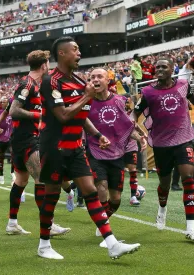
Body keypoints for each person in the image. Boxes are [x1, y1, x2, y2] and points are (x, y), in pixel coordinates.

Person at [38, 36, 140, 260]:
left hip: (76, 147)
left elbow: (80, 115)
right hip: (54, 147)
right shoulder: (51, 81)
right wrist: (87, 96)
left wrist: (97, 134)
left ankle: (112, 244)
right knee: (52, 195)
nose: (79, 54)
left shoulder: (77, 79)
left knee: (91, 192)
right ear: (62, 53)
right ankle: (44, 245)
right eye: (75, 50)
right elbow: (64, 115)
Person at [132, 56, 194, 244]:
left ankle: (191, 228)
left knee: (188, 179)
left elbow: (193, 98)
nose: (159, 70)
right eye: (157, 67)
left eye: (164, 67)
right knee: (164, 184)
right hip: (162, 145)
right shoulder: (147, 92)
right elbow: (135, 112)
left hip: (183, 141)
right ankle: (162, 209)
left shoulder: (183, 85)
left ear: (172, 69)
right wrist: (133, 124)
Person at [0, 50, 72, 236]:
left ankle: (12, 223)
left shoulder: (34, 84)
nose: (49, 67)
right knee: (41, 180)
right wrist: (39, 115)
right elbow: (13, 110)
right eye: (48, 64)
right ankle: (48, 225)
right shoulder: (27, 84)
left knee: (21, 181)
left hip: (21, 138)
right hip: (28, 139)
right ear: (43, 65)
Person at [86, 68, 147, 247]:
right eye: (92, 77)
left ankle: (103, 220)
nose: (95, 80)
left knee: (116, 199)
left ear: (108, 80)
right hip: (95, 152)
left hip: (117, 154)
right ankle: (107, 233)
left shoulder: (121, 101)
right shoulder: (86, 102)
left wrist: (140, 138)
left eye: (99, 77)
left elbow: (127, 127)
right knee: (102, 188)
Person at [0, 97, 15, 184]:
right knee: (1, 156)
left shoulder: (13, 111)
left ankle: (12, 173)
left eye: (7, 102)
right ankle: (1, 174)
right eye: (5, 102)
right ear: (2, 103)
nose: (7, 103)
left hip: (11, 137)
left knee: (14, 154)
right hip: (1, 138)